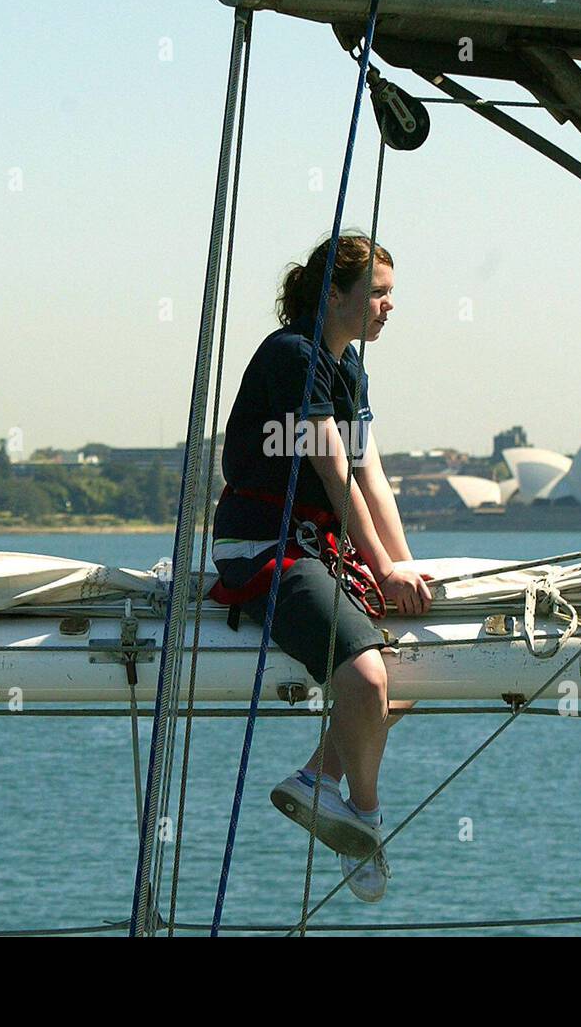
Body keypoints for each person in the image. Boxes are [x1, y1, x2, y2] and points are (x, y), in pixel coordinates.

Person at [210, 232, 432, 903]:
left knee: (418, 668)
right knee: (367, 679)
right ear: (333, 295)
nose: (390, 306)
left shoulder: (349, 368)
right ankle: (364, 817)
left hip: (320, 550)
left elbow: (371, 470)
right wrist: (377, 566)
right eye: (378, 294)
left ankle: (315, 779)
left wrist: (401, 568)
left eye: (393, 293)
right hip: (266, 548)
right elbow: (335, 472)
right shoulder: (294, 356)